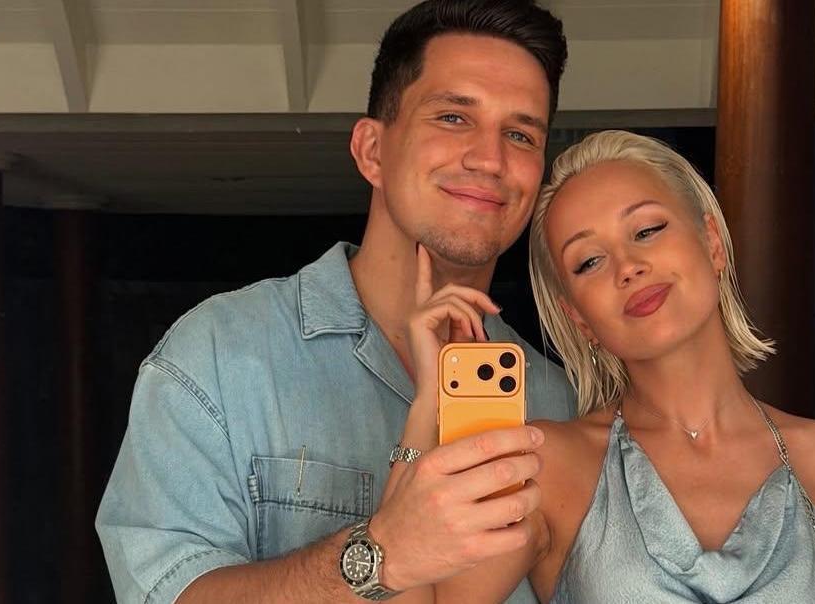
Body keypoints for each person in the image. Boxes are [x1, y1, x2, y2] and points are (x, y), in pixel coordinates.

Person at [94, 1, 575, 602]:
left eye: (521, 134)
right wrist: (382, 557)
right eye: (453, 117)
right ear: (372, 150)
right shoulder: (219, 355)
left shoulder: (559, 400)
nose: (490, 158)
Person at [390, 130, 815, 603]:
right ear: (578, 316)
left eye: (647, 230)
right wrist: (424, 412)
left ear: (712, 243)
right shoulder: (545, 466)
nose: (629, 267)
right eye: (590, 261)